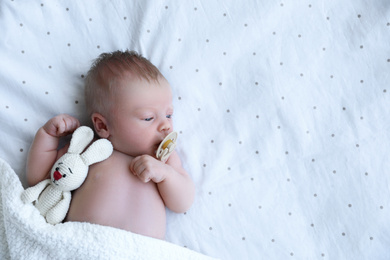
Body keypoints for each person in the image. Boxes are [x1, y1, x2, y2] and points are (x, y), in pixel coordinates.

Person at [26, 50, 195, 240]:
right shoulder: (86, 149)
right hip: (85, 244)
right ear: (102, 125)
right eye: (148, 117)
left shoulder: (163, 159)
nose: (166, 125)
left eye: (169, 115)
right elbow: (41, 177)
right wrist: (47, 136)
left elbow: (183, 203)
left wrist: (166, 175)